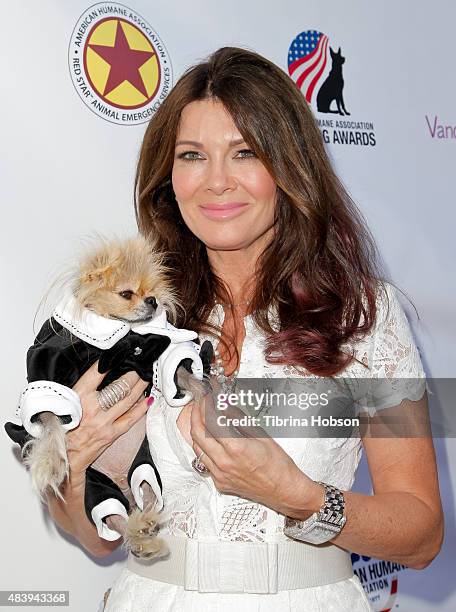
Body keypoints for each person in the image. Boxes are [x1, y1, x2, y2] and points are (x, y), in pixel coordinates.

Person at [46, 47, 443, 611]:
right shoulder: (122, 319)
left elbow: (422, 535)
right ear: (168, 177)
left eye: (244, 153)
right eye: (192, 155)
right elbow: (97, 538)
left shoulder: (365, 316)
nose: (216, 182)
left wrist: (299, 498)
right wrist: (75, 468)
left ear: (289, 168)